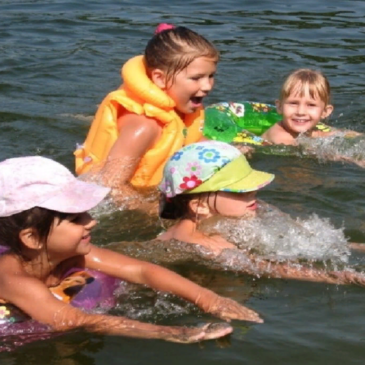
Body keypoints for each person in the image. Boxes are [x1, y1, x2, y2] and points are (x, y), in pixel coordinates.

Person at [0, 156, 263, 344]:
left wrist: (210, 300)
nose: (92, 221)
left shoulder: (77, 254)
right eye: (76, 218)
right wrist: (171, 333)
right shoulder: (13, 278)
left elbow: (142, 270)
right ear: (32, 238)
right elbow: (71, 320)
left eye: (86, 213)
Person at [157, 140, 365, 286]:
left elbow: (295, 232)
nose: (254, 194)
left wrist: (351, 246)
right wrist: (341, 276)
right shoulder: (207, 246)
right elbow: (269, 268)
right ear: (199, 206)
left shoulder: (213, 214)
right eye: (242, 191)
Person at [74, 23, 218, 192]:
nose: (207, 86)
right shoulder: (144, 128)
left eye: (211, 76)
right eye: (196, 78)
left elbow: (187, 140)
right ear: (160, 78)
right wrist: (152, 213)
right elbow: (109, 186)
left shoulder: (180, 107)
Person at [262, 69, 361, 145]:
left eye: (311, 105)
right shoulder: (279, 136)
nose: (301, 112)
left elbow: (334, 133)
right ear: (279, 107)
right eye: (293, 103)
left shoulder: (312, 130)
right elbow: (306, 153)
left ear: (325, 112)